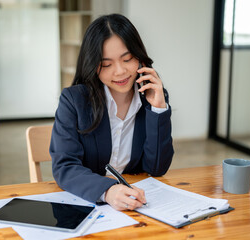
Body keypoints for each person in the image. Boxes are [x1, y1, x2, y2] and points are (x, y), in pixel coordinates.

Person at [50, 14, 174, 211]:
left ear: (140, 57)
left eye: (127, 59)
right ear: (92, 65)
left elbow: (156, 169)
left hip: (136, 207)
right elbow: (64, 167)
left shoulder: (151, 95)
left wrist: (158, 109)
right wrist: (107, 191)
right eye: (106, 64)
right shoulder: (74, 100)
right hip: (88, 204)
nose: (120, 71)